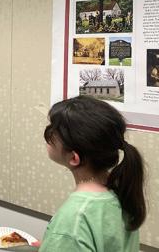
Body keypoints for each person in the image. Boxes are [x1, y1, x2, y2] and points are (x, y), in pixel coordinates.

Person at [38, 95, 146, 251]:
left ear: (74, 158)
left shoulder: (74, 219)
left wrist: (61, 241)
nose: (48, 135)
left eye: (53, 131)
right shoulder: (120, 193)